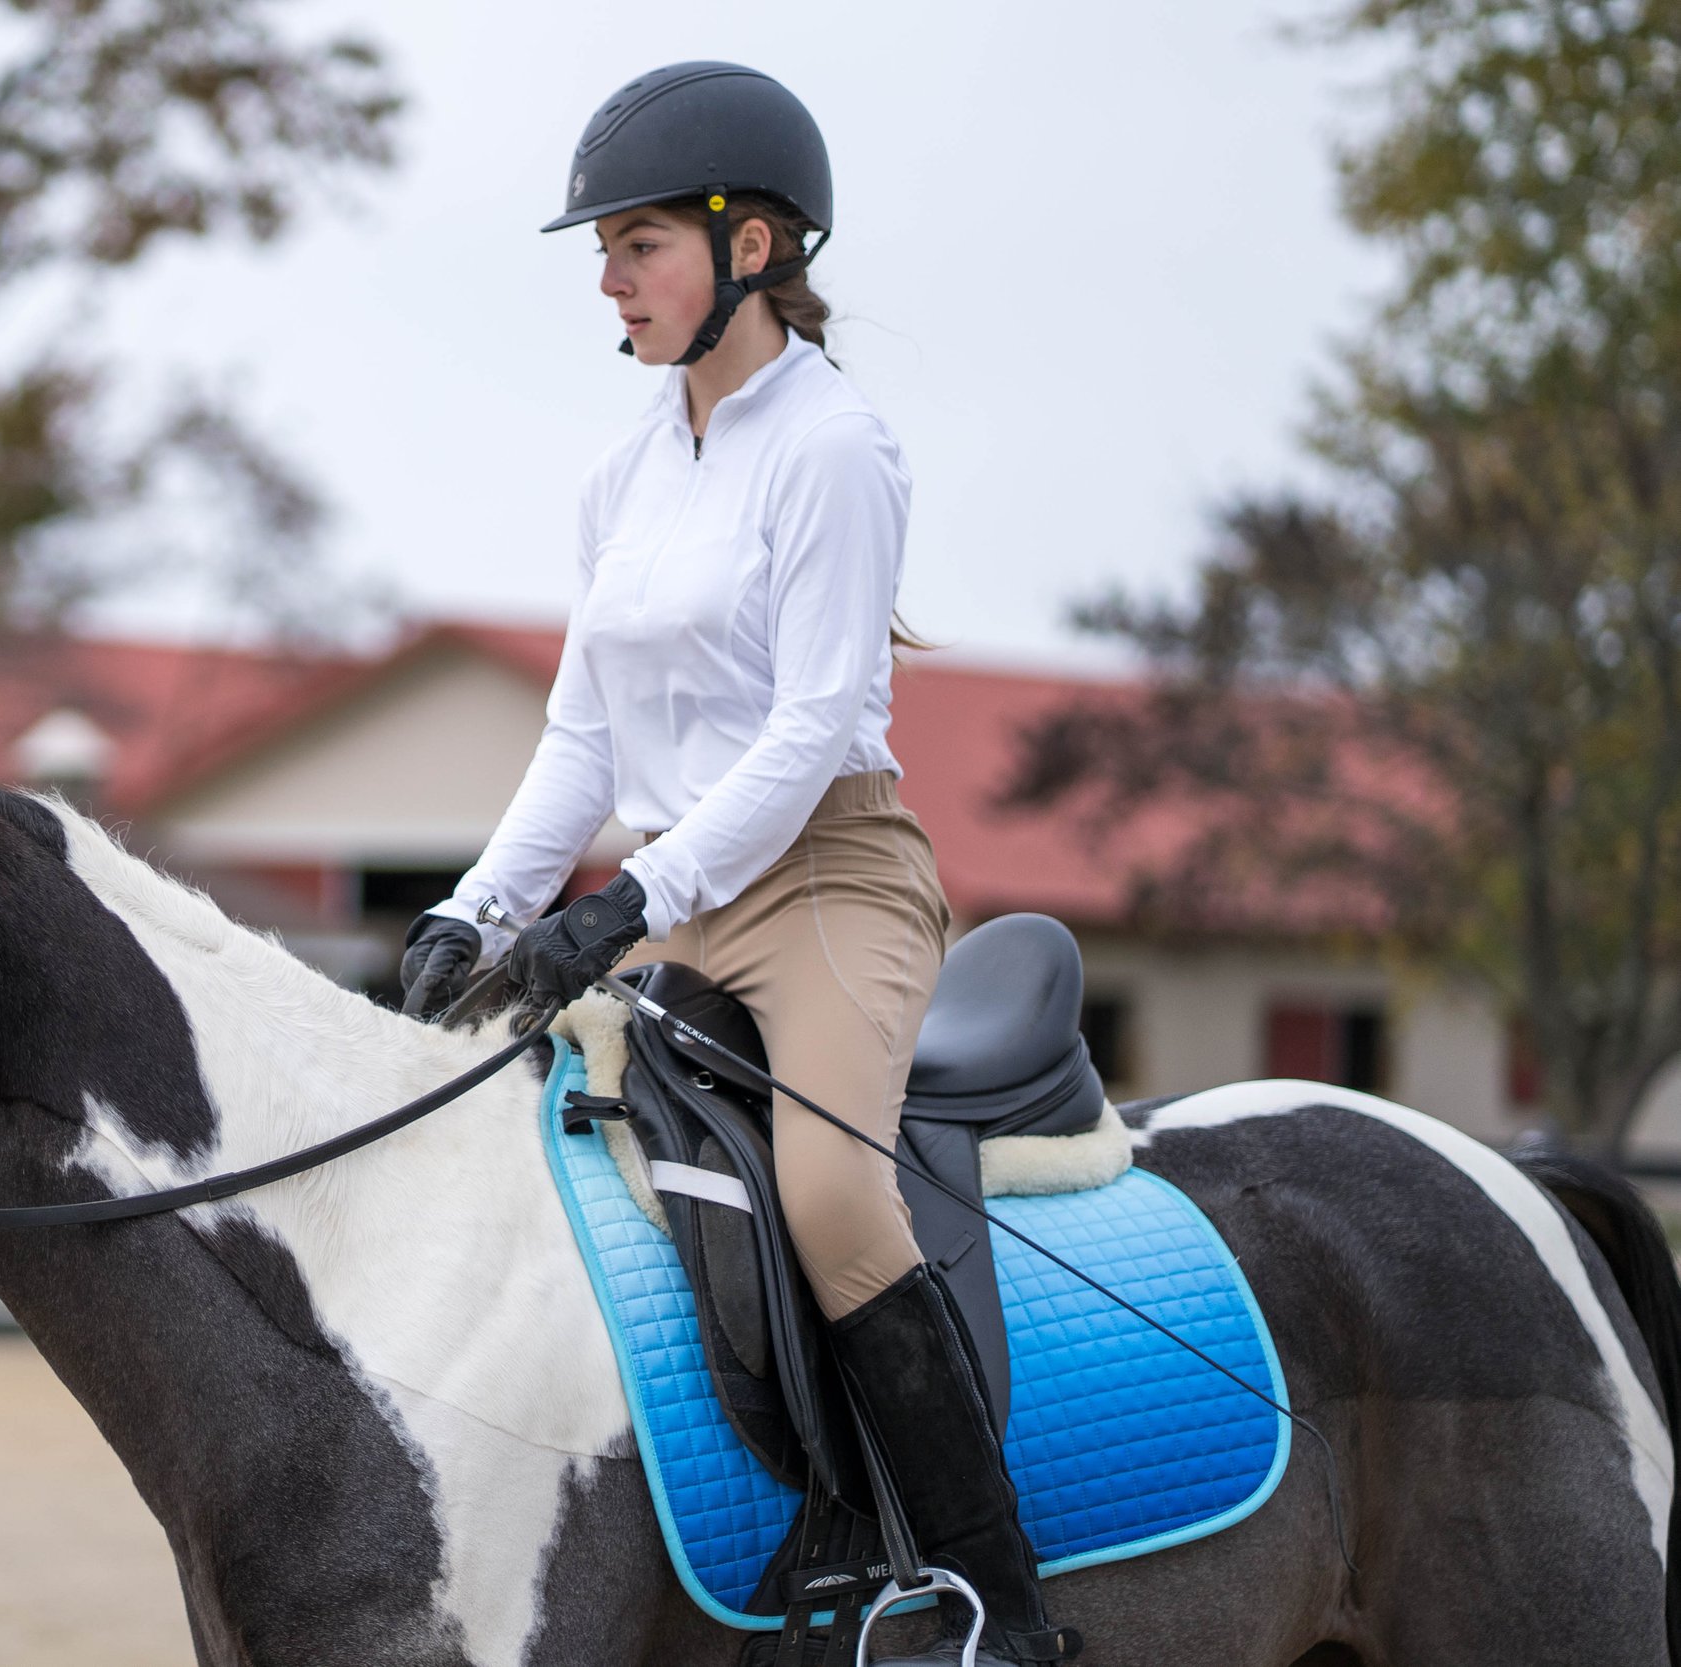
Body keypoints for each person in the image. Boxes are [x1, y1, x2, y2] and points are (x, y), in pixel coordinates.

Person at [397, 63, 1068, 1667]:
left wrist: (632, 903)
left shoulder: (834, 447)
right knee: (544, 1151)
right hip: (681, 884)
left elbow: (813, 724)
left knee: (833, 1192)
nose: (609, 279)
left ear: (751, 248)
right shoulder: (620, 475)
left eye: (639, 246)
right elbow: (579, 738)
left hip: (830, 879)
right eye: (605, 250)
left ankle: (989, 1595)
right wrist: (475, 908)